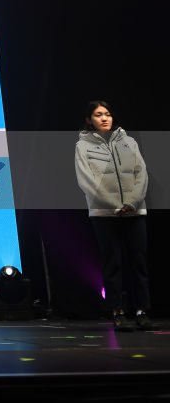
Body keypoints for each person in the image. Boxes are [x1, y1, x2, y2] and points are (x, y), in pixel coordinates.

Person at [75, 100, 151, 332]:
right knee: (113, 263)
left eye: (107, 114)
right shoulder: (83, 146)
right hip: (104, 213)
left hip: (134, 211)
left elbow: (142, 174)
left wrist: (131, 202)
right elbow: (87, 181)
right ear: (90, 120)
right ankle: (117, 311)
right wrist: (114, 205)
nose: (105, 118)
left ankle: (142, 310)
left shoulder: (129, 142)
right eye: (98, 115)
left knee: (139, 262)